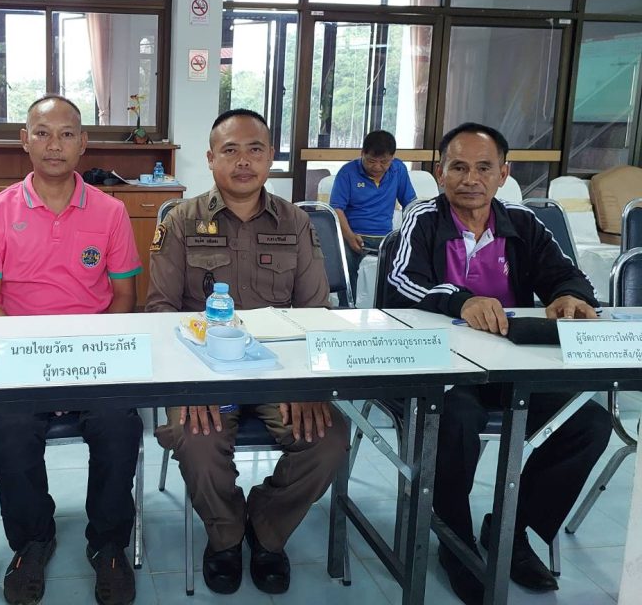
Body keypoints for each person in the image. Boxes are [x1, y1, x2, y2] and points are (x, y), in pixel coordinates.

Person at [384, 122, 612, 605]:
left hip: (512, 367)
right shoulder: (422, 218)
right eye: (458, 167)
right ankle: (454, 537)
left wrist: (570, 295)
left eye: (484, 168)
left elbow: (567, 274)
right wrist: (460, 300)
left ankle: (512, 530)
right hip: (440, 369)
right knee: (456, 419)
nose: (471, 179)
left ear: (503, 174)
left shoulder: (523, 224)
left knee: (589, 423)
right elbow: (401, 282)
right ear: (440, 172)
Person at [146, 108, 349, 596]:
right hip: (204, 370)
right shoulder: (181, 221)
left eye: (255, 149)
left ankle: (266, 528)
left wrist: (307, 386)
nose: (243, 161)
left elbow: (315, 314)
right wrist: (191, 387)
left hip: (280, 372)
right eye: (230, 150)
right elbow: (160, 312)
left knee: (329, 438)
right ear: (210, 158)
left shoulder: (296, 222)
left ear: (270, 157)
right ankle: (225, 535)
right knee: (196, 438)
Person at [0, 96, 143, 605]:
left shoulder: (110, 211)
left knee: (120, 426)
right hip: (22, 359)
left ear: (83, 143)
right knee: (10, 432)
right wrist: (32, 357)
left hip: (93, 357)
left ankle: (108, 543)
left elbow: (124, 298)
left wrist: (90, 355)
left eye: (66, 134)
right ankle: (32, 542)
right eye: (42, 133)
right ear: (25, 140)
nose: (54, 145)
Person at [329, 129, 416, 291]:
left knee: (410, 262)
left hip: (387, 238)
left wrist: (410, 234)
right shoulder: (347, 172)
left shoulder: (398, 170)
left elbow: (410, 204)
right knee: (344, 263)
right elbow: (336, 209)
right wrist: (349, 236)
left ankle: (390, 303)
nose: (377, 167)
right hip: (354, 236)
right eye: (371, 161)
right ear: (362, 153)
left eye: (384, 162)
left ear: (392, 157)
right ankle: (347, 303)